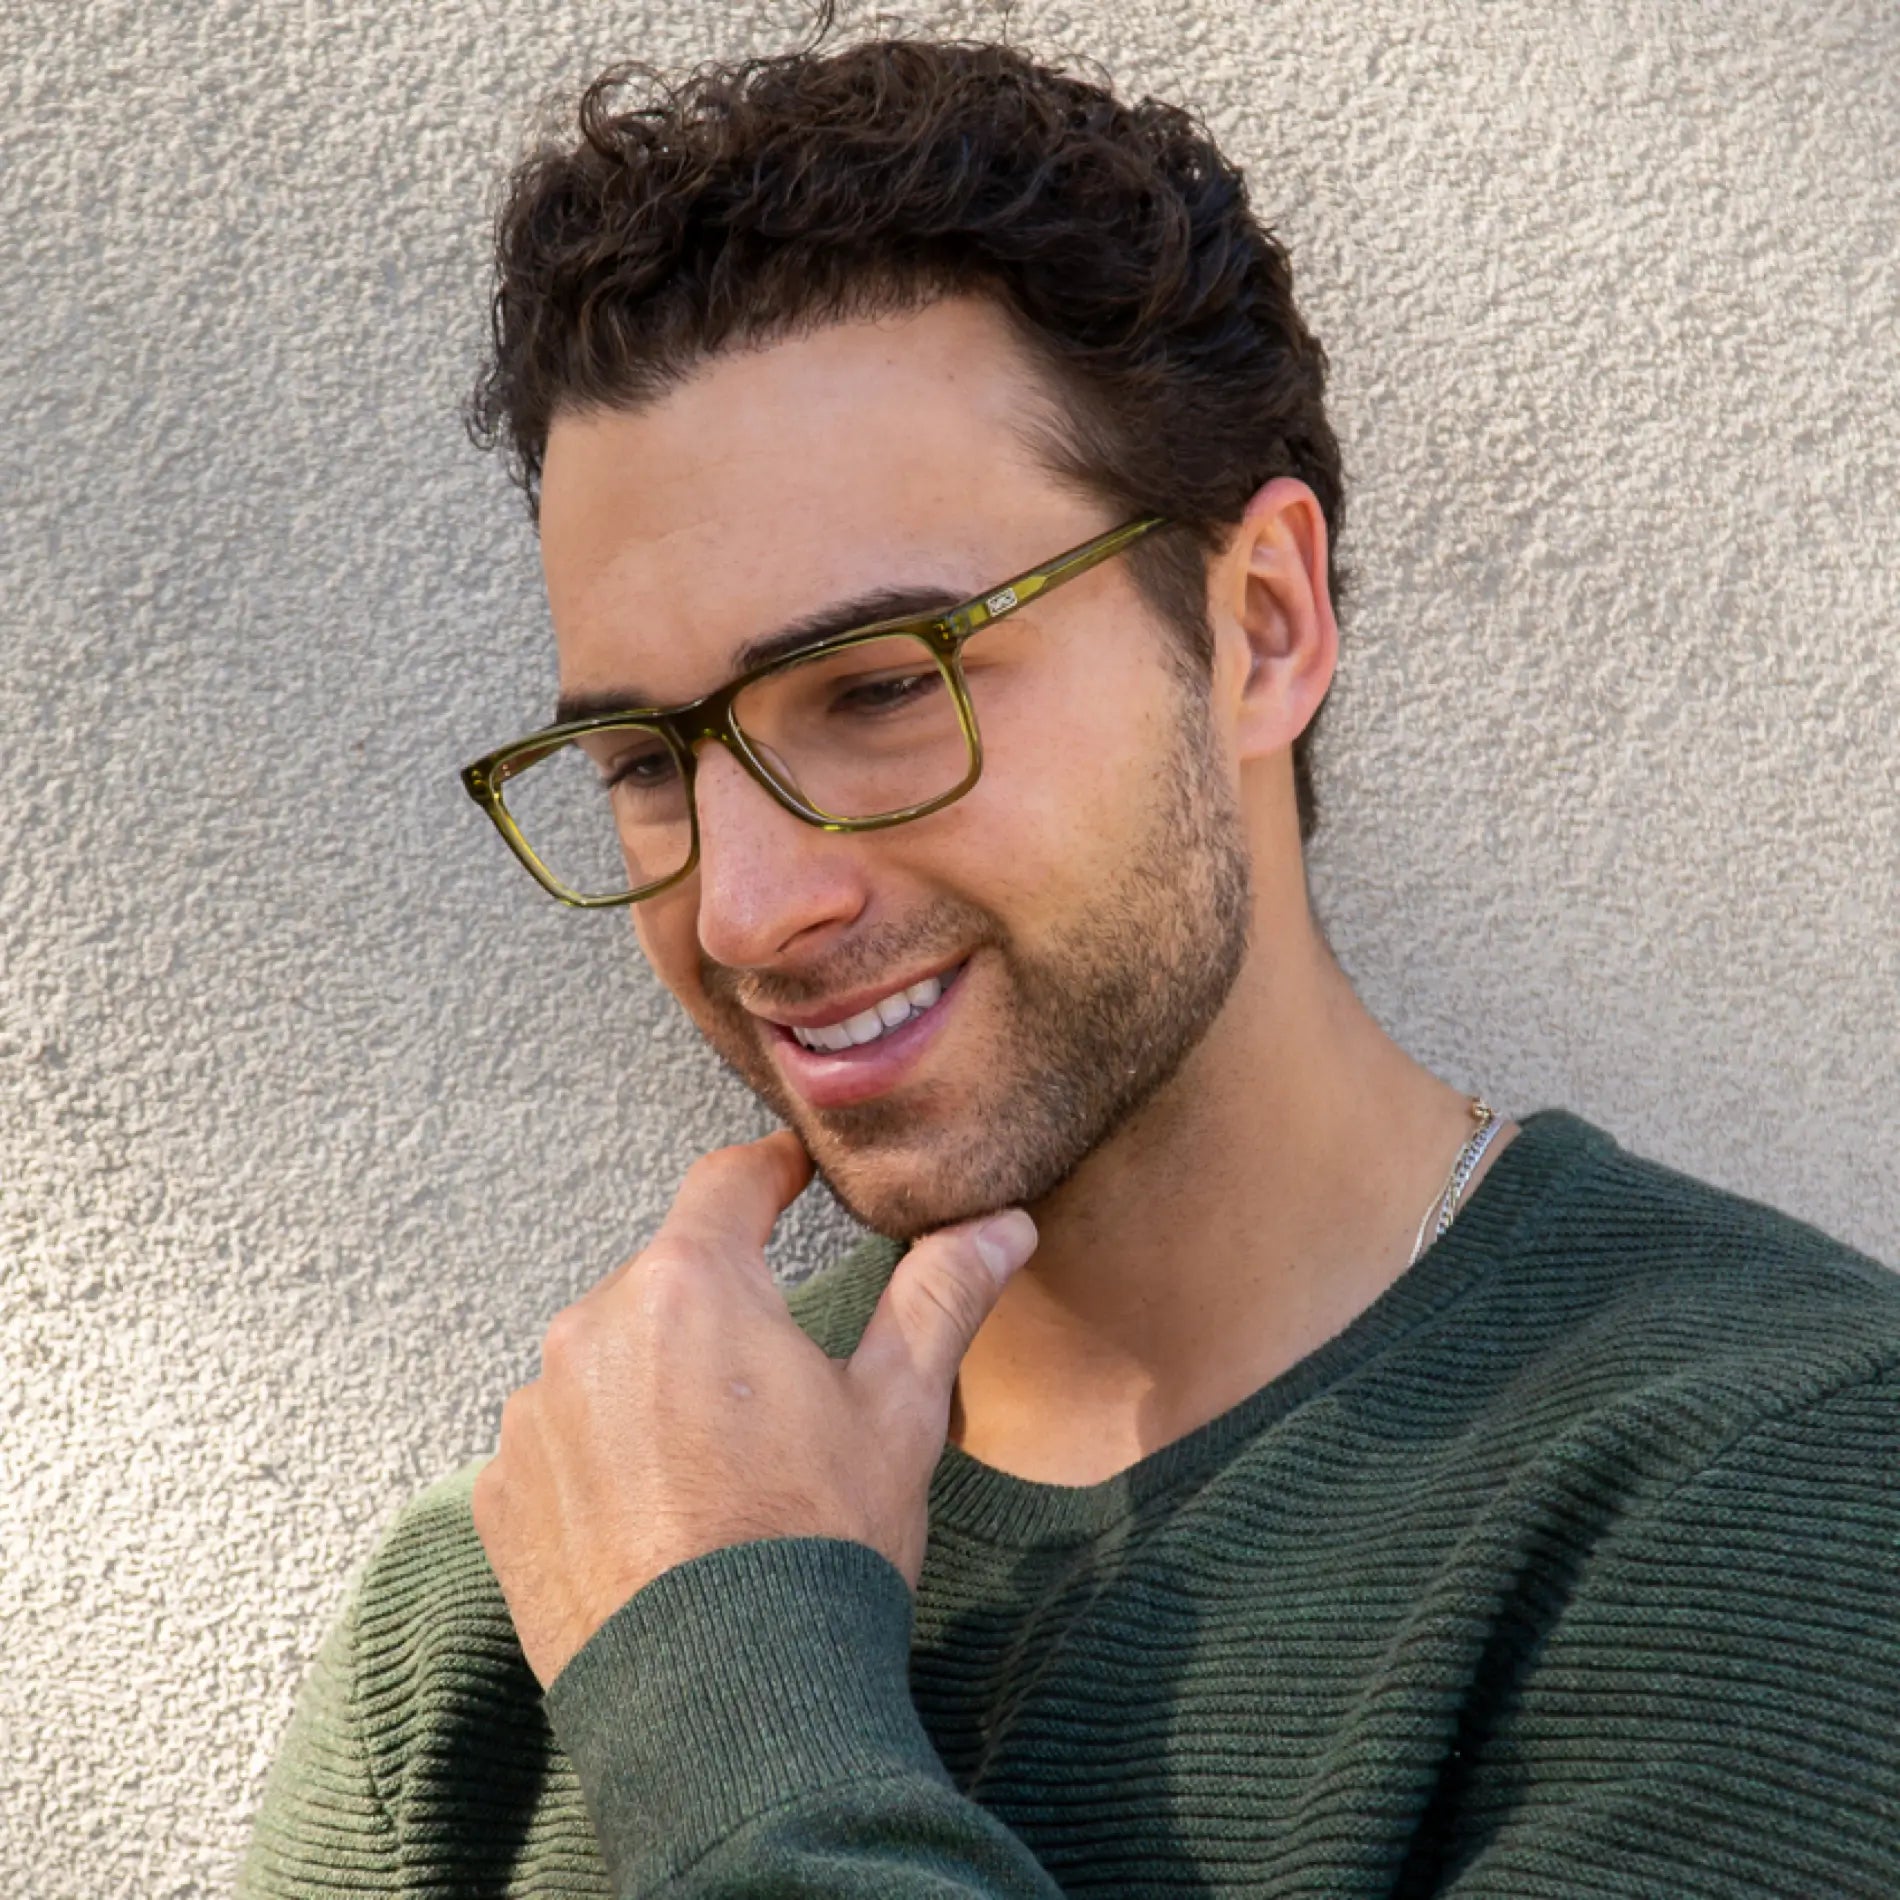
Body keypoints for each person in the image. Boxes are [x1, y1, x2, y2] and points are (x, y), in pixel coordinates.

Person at [239, 24, 1900, 1900]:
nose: (744, 910)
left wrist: (735, 1712)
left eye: (881, 689)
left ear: (1260, 626)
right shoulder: (513, 1606)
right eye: (645, 764)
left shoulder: (1785, 1500)